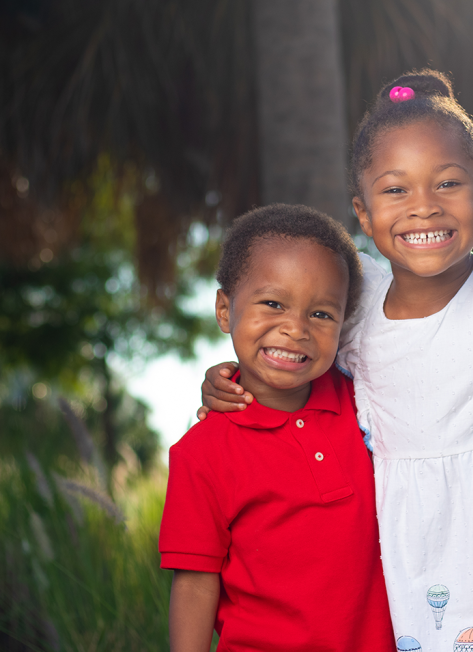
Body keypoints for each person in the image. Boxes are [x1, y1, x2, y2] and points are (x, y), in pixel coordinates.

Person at [199, 70, 473, 650]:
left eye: (448, 183)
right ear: (363, 213)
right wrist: (227, 381)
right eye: (395, 190)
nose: (424, 208)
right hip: (399, 571)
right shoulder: (356, 306)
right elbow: (292, 360)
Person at [159, 203, 396, 652]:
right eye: (273, 304)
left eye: (321, 314)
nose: (296, 328)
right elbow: (194, 582)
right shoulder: (201, 452)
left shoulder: (367, 403)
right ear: (225, 310)